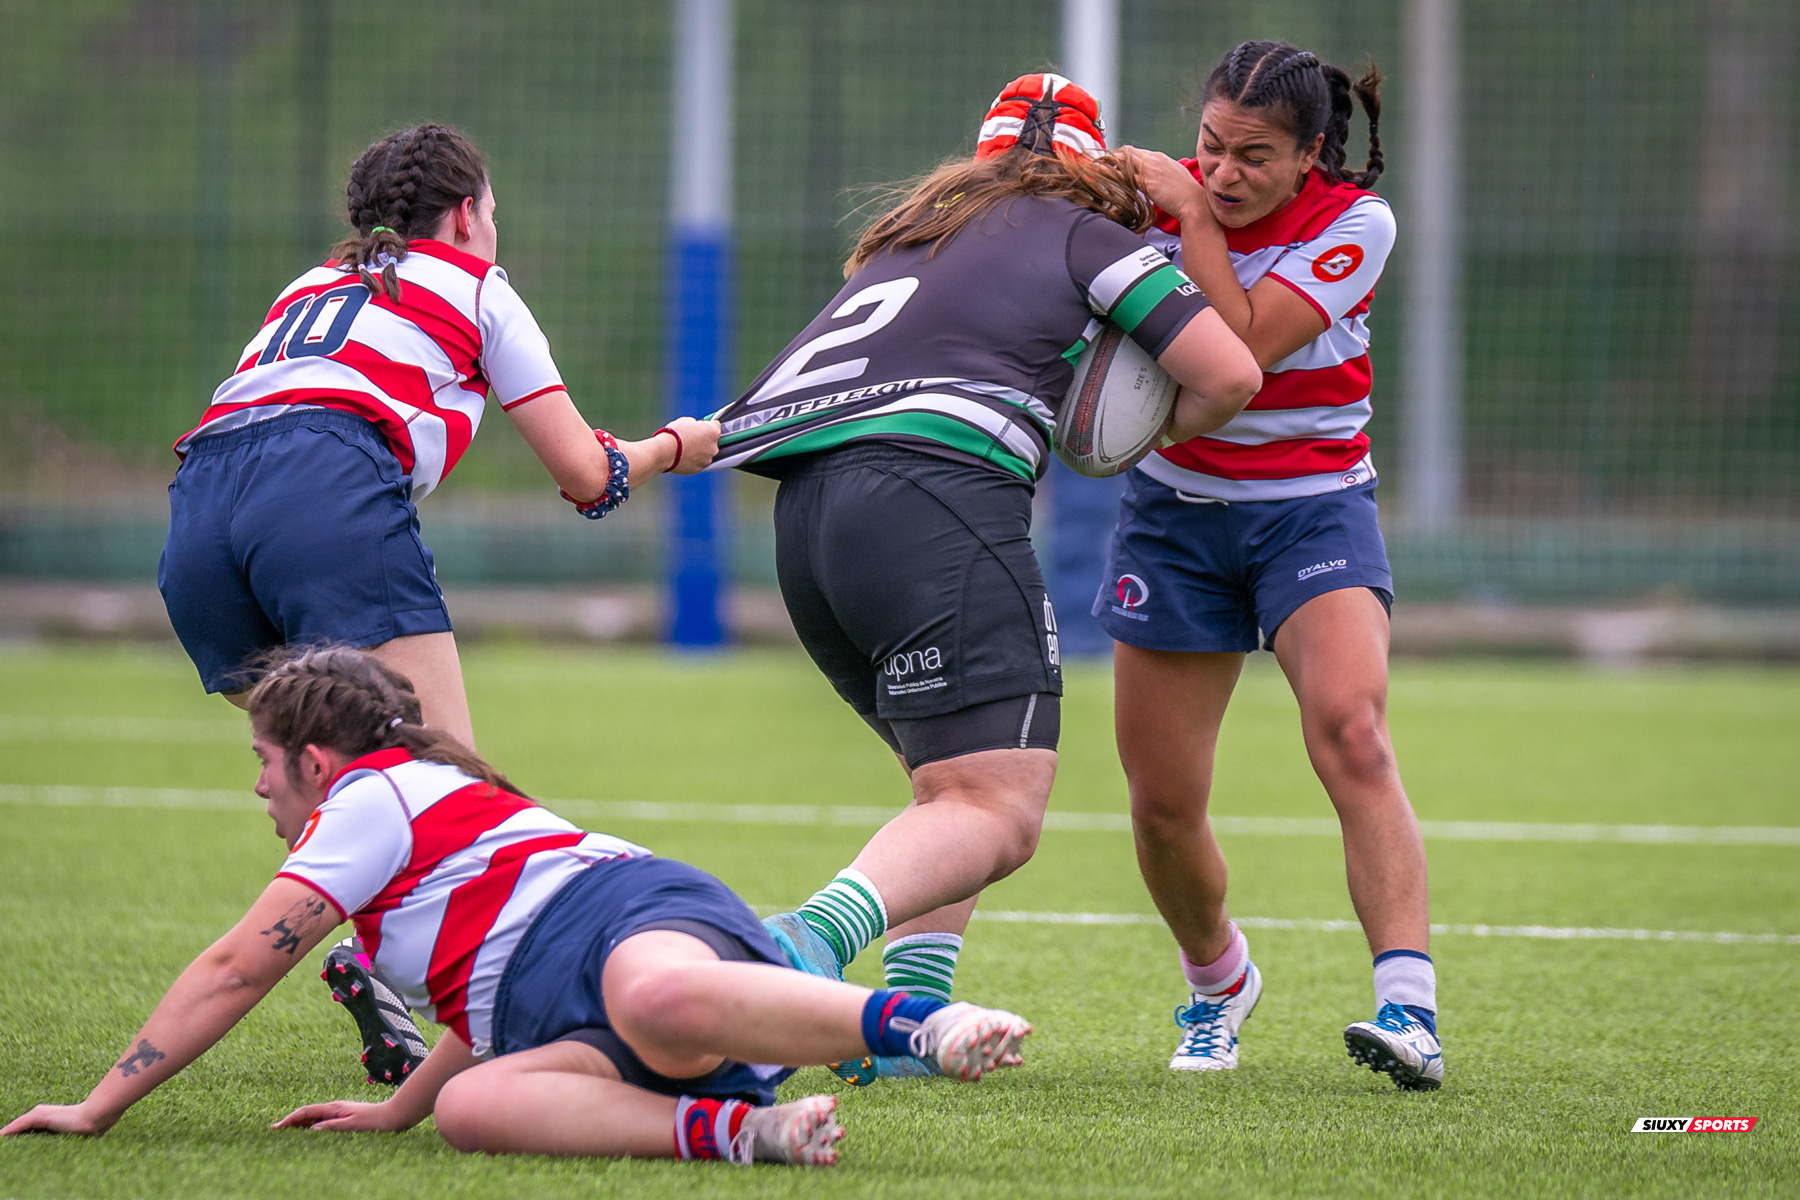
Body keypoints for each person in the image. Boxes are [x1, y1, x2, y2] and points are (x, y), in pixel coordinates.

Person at [705, 75, 1262, 1082]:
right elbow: (1230, 374)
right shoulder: (1085, 234)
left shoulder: (903, 241)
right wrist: (1125, 436)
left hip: (811, 520)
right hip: (934, 498)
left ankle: (911, 1018)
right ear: (1095, 173)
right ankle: (794, 954)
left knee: (950, 786)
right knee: (995, 805)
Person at [157, 122, 719, 1083]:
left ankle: (379, 963)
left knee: (353, 779)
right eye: (491, 210)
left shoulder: (310, 286)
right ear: (466, 215)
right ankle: (503, 1008)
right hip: (321, 488)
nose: (494, 227)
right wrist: (675, 446)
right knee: (451, 790)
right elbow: (587, 475)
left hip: (196, 517)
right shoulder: (479, 288)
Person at [0, 647, 1031, 1167]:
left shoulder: (367, 800)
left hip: (630, 921)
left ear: (315, 762)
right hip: (567, 1019)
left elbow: (237, 967)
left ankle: (923, 1024)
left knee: (656, 998)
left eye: (263, 764)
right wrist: (397, 1108)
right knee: (472, 1111)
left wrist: (99, 1107)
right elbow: (482, 1003)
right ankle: (742, 1134)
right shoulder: (395, 834)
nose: (258, 788)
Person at [1097, 41, 1442, 1090]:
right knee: (1161, 806)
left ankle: (1410, 1010)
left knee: (1352, 730)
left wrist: (1189, 218)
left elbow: (1242, 348)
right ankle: (1218, 989)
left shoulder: (1355, 225)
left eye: (1254, 157)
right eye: (1209, 147)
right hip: (1172, 521)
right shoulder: (1147, 206)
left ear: (1310, 158)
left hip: (1314, 514)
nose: (1223, 173)